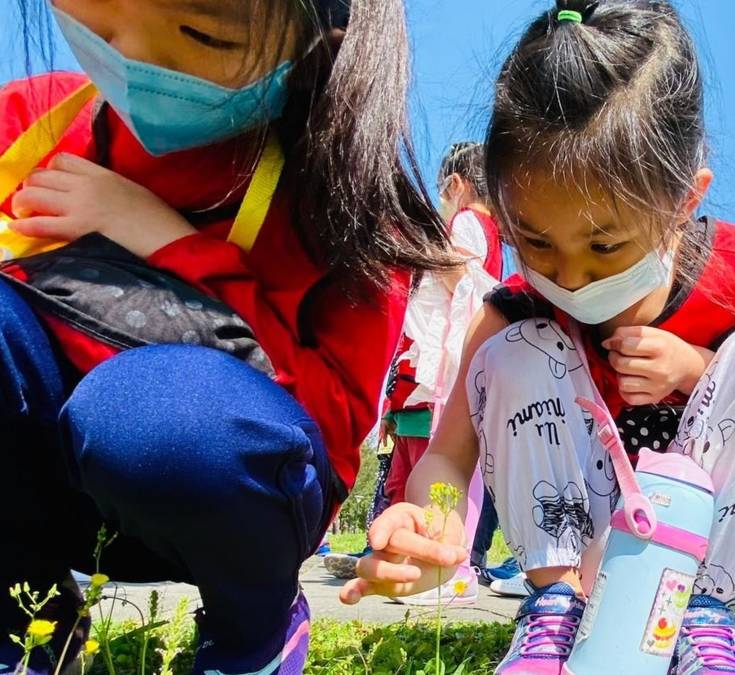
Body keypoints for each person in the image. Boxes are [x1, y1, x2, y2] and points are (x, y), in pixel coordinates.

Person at [342, 3, 735, 674]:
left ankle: (702, 612)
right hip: (576, 535)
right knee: (516, 350)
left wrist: (697, 366)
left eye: (605, 246)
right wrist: (435, 519)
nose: (569, 275)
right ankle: (555, 606)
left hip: (691, 543)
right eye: (535, 243)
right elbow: (447, 457)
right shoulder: (518, 310)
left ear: (684, 200)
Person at [0, 1, 451, 673]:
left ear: (314, 48)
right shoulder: (31, 121)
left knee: (152, 413)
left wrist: (164, 240)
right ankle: (30, 626)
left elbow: (328, 428)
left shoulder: (342, 199)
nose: (134, 61)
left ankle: (253, 636)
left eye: (200, 34)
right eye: (98, 20)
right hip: (48, 492)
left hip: (222, 493)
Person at [324, 142, 504, 603]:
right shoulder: (495, 235)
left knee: (435, 473)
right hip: (437, 380)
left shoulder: (465, 223)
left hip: (440, 375)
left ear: (457, 185)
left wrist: (419, 251)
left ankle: (448, 567)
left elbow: (459, 278)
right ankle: (433, 563)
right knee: (440, 473)